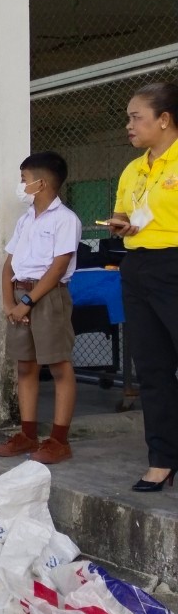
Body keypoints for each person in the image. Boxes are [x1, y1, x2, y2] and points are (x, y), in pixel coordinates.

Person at [105, 82, 178, 492]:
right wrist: (120, 225)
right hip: (137, 266)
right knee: (151, 368)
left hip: (175, 262)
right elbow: (121, 214)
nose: (129, 125)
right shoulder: (133, 169)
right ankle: (163, 458)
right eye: (128, 118)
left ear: (164, 119)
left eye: (137, 117)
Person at [0, 151, 81, 466]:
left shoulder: (65, 219)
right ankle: (27, 434)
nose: (21, 185)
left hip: (48, 296)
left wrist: (28, 303)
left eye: (24, 179)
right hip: (20, 295)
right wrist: (10, 302)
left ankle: (59, 440)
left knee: (58, 365)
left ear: (40, 183)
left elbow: (58, 268)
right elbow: (8, 265)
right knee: (25, 366)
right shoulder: (26, 219)